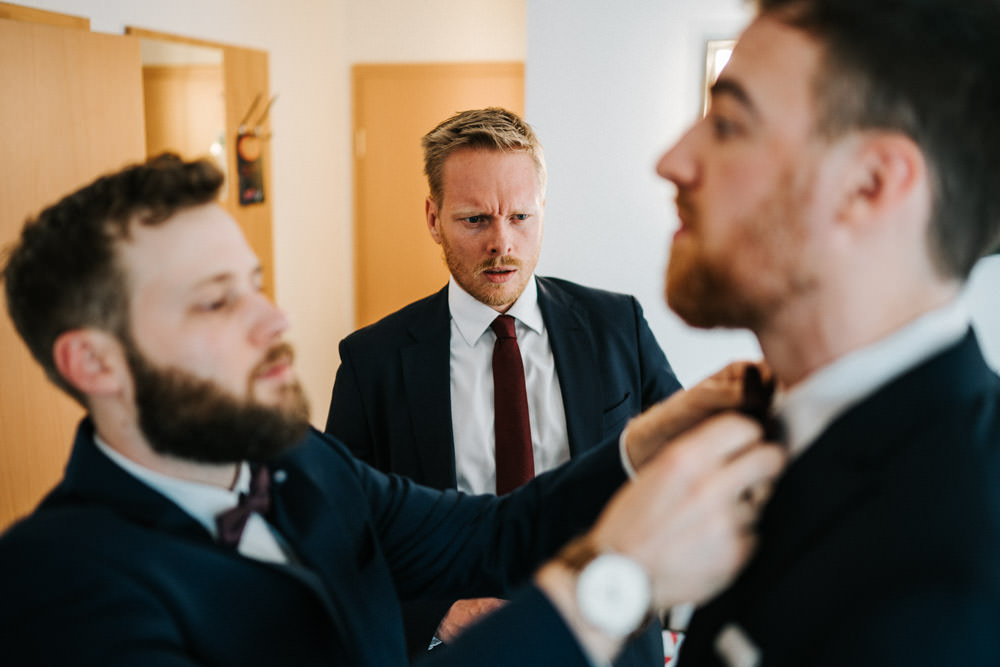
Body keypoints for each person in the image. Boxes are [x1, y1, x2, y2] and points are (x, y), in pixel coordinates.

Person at [0, 154, 784, 666]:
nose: (274, 321)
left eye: (256, 283)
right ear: (93, 362)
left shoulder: (300, 461)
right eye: (216, 302)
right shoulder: (54, 584)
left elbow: (489, 530)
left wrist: (641, 444)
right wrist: (606, 583)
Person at [653, 0, 1000, 664]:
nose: (671, 160)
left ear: (869, 185)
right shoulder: (783, 429)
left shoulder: (957, 565)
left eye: (727, 123)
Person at [325, 107, 681, 663]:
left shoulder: (619, 327)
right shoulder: (372, 360)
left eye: (520, 217)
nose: (502, 244)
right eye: (475, 220)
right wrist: (439, 613)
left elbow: (678, 472)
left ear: (543, 211)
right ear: (432, 217)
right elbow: (342, 532)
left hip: (609, 643)